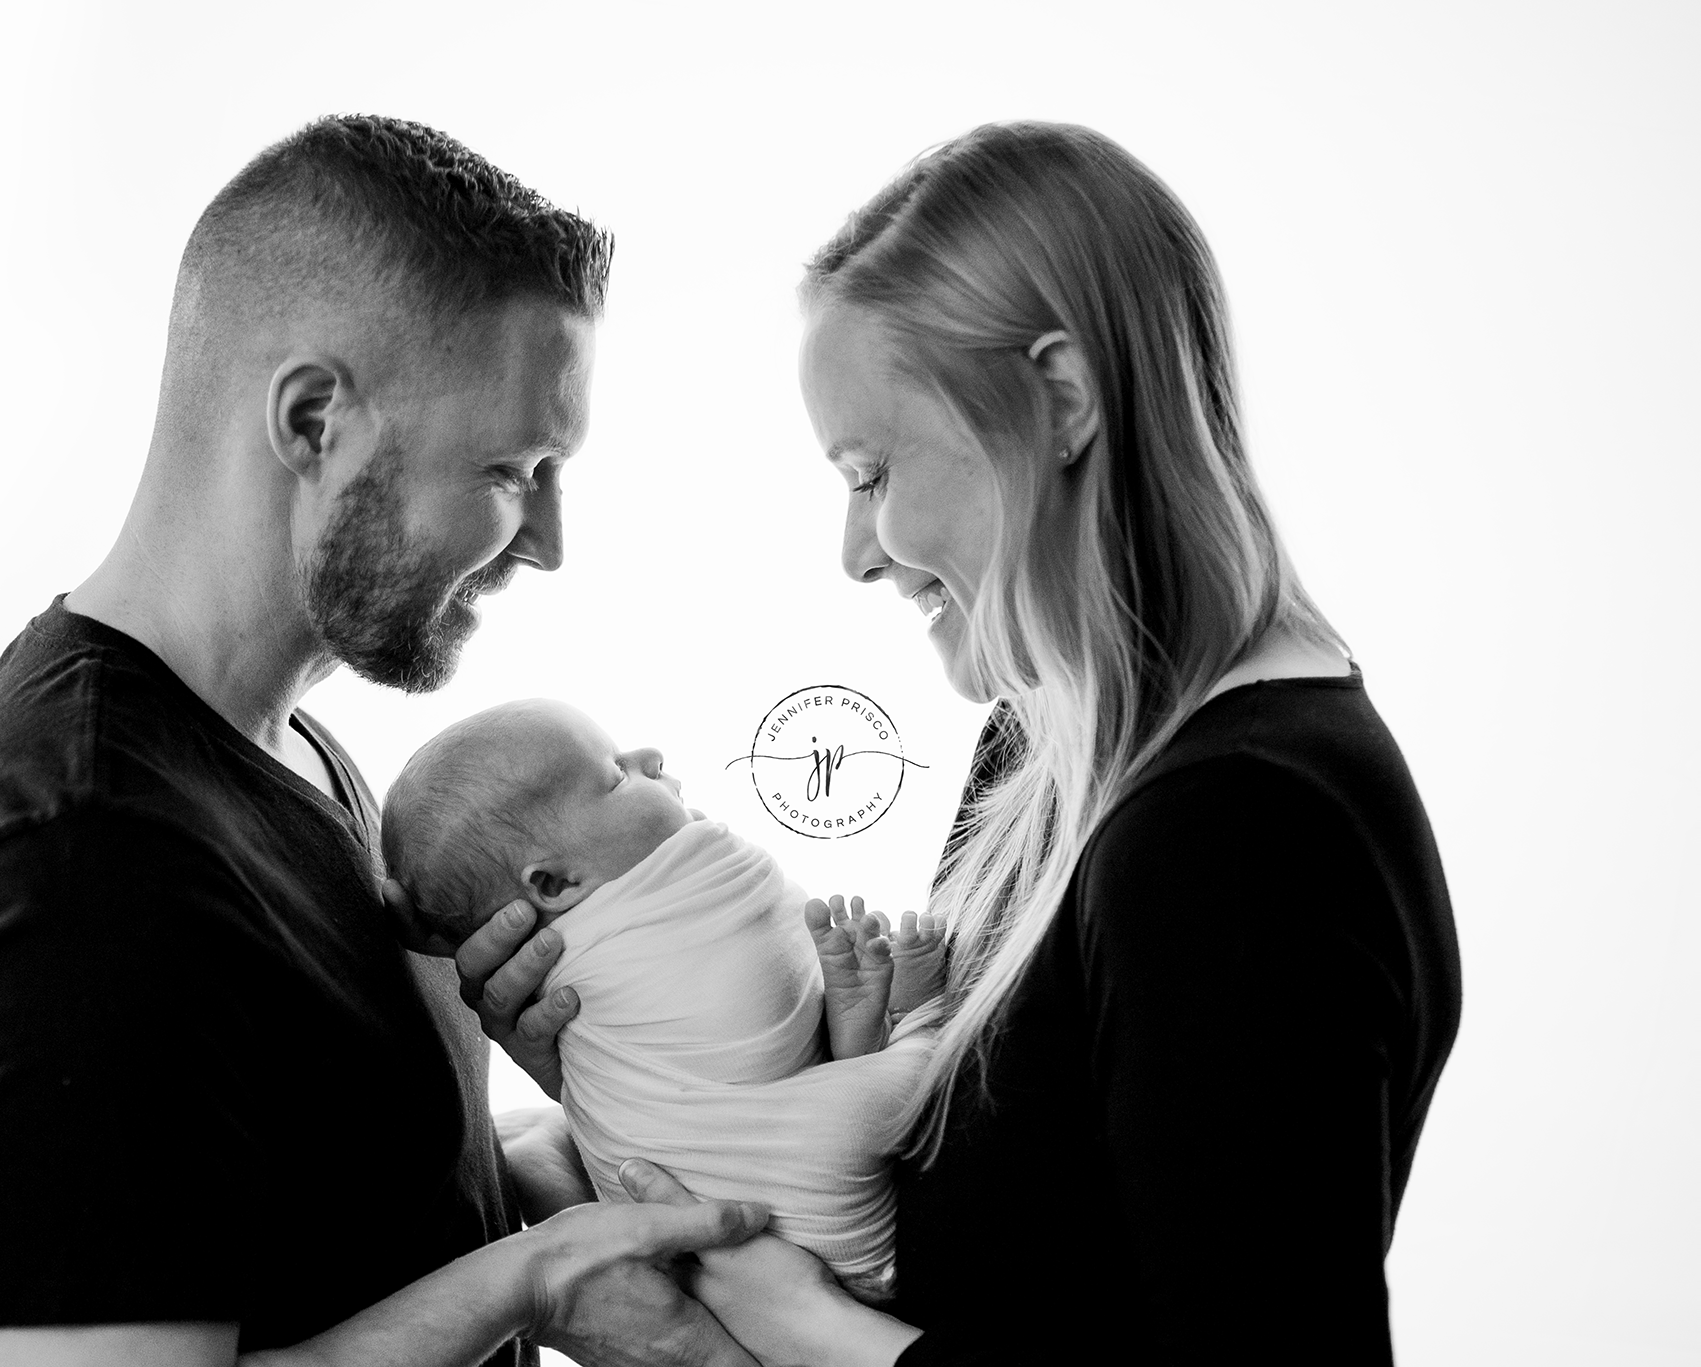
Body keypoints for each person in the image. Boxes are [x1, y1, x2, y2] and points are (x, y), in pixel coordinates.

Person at [465, 121, 1463, 1365]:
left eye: (871, 473)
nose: (855, 552)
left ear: (1060, 399)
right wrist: (637, 1073)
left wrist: (795, 1329)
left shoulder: (1238, 831)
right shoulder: (1040, 745)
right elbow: (1002, 1226)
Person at [0, 115, 773, 1367]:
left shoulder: (285, 751)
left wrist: (564, 1135)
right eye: (512, 468)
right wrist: (531, 1282)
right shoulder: (74, 870)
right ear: (310, 421)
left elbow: (327, 1220)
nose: (548, 542)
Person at [380, 699, 946, 1297]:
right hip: (783, 1206)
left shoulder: (598, 928)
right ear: (555, 882)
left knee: (773, 1050)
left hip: (733, 1231)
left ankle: (859, 1039)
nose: (649, 755)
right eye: (616, 775)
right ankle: (910, 1025)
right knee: (848, 1091)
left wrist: (444, 933)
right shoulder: (579, 962)